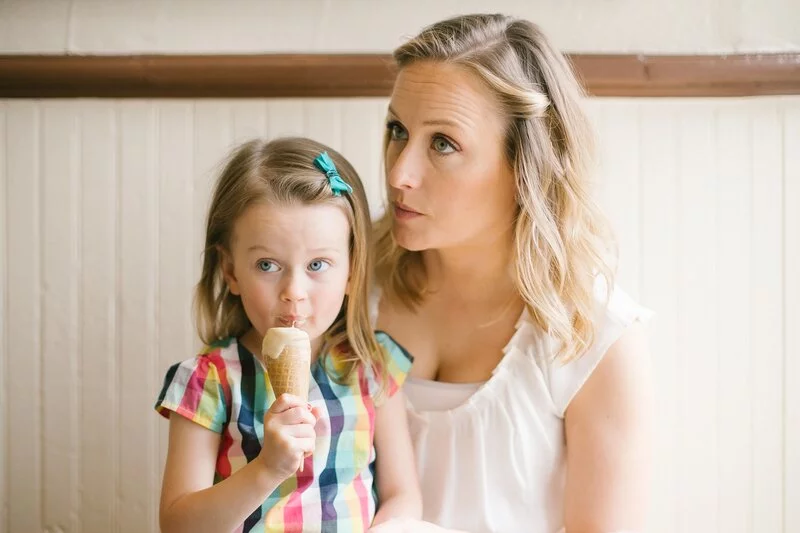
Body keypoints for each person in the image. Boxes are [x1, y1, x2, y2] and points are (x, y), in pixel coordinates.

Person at [369, 13, 654, 533]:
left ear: (524, 166)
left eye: (443, 144)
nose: (398, 174)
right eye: (397, 131)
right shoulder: (338, 288)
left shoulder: (593, 338)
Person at [154, 137, 422, 532]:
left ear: (352, 271)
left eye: (318, 264)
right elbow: (179, 525)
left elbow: (403, 495)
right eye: (267, 264)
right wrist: (267, 468)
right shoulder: (209, 382)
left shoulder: (371, 369)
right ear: (230, 272)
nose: (294, 290)